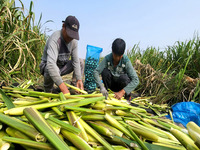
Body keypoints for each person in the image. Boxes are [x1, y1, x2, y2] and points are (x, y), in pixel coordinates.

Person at [39, 15, 84, 94]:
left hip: (61, 67)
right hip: (48, 68)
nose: (71, 38)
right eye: (69, 34)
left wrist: (79, 79)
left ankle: (75, 88)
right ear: (63, 26)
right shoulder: (55, 39)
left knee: (80, 62)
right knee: (50, 67)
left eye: (73, 36)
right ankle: (48, 89)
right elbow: (50, 64)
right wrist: (63, 88)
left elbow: (75, 61)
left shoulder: (73, 42)